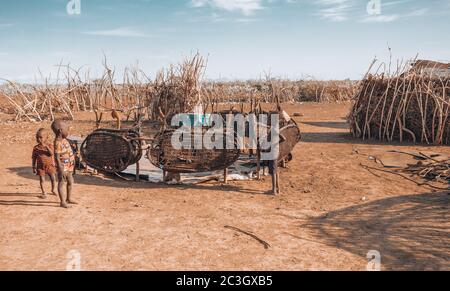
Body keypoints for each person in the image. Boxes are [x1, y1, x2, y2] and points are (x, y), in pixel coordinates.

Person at [51, 120, 77, 208]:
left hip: (69, 166)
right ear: (60, 131)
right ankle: (62, 202)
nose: (68, 131)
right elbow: (57, 157)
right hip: (63, 167)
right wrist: (61, 169)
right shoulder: (57, 143)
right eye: (67, 129)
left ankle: (68, 198)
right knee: (61, 183)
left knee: (70, 181)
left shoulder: (64, 139)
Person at [32, 128, 57, 198]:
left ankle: (53, 189)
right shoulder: (36, 148)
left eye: (41, 137)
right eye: (37, 137)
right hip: (40, 167)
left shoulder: (49, 146)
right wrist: (33, 167)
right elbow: (34, 158)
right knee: (42, 179)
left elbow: (51, 153)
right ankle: (43, 191)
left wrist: (47, 147)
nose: (38, 139)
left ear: (46, 138)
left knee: (53, 178)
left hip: (50, 166)